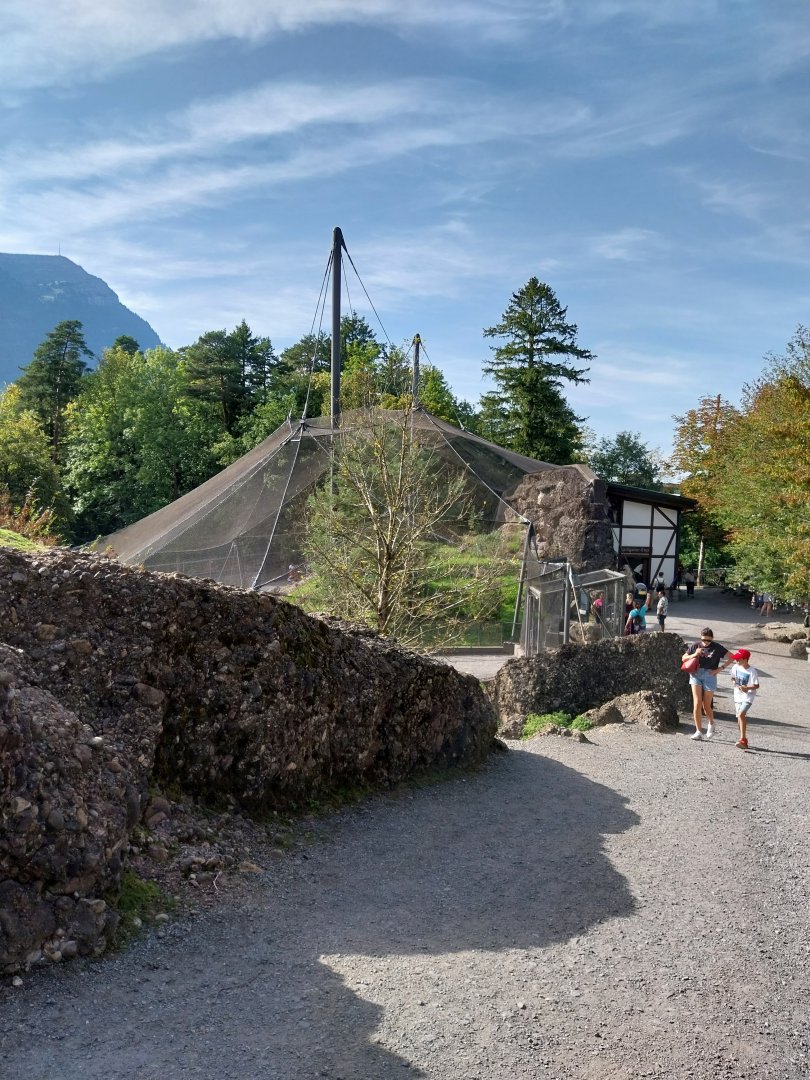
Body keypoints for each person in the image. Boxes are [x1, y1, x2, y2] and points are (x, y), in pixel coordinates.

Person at [682, 627, 732, 740]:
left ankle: (711, 723)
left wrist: (720, 668)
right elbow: (683, 658)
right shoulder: (696, 645)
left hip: (710, 674)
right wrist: (695, 654)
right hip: (696, 673)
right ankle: (698, 731)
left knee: (706, 705)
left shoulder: (717, 647)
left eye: (708, 640)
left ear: (712, 639)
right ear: (700, 638)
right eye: (704, 640)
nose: (706, 642)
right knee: (697, 703)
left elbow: (732, 657)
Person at [727, 648, 759, 749]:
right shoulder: (735, 667)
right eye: (736, 659)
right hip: (737, 696)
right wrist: (735, 683)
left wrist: (747, 688)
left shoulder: (752, 671)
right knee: (739, 718)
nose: (736, 661)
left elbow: (756, 685)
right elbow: (732, 678)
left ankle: (743, 739)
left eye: (738, 659)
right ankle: (743, 739)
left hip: (748, 697)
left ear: (745, 659)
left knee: (741, 714)